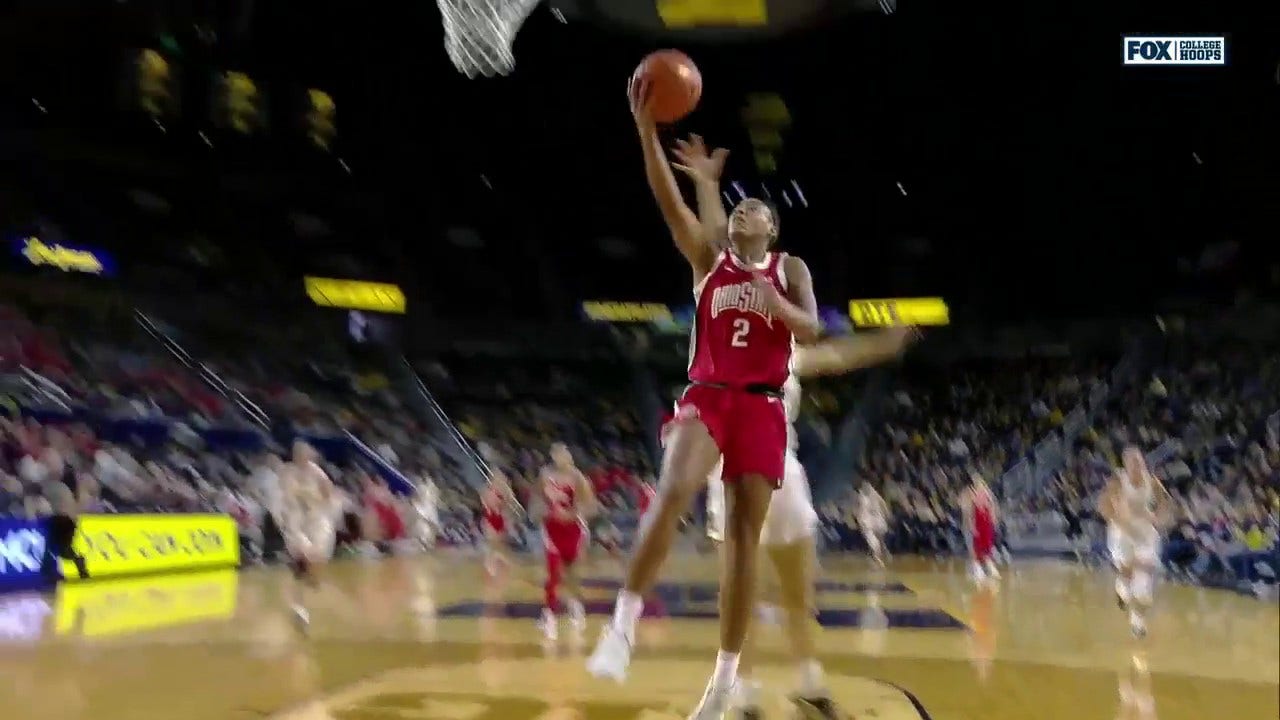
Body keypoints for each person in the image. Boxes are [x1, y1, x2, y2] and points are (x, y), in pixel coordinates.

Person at [588, 76, 823, 720]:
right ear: (733, 226)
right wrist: (648, 134)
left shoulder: (789, 269)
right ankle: (621, 627)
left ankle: (721, 683)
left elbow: (814, 325)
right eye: (741, 210)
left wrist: (778, 305)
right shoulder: (706, 260)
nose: (750, 215)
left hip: (766, 407)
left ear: (771, 231)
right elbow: (668, 201)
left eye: (761, 213)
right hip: (709, 395)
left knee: (743, 543)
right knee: (673, 489)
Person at [703, 330, 916, 720]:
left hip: (784, 471)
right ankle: (743, 693)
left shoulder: (785, 356)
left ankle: (808, 683)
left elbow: (836, 355)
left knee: (799, 595)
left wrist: (888, 342)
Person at [1099, 447, 1173, 638]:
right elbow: (1103, 506)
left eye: (1139, 462)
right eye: (1132, 463)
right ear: (1125, 465)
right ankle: (1122, 587)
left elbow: (1164, 504)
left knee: (1145, 581)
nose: (1137, 466)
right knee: (1127, 570)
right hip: (1122, 532)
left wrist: (1159, 518)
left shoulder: (1153, 482)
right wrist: (1117, 520)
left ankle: (1137, 621)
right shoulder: (1118, 481)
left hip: (1145, 532)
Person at [277, 441, 338, 628]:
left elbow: (328, 495)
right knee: (301, 562)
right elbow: (286, 495)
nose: (303, 458)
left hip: (315, 520)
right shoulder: (287, 472)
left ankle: (311, 581)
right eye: (299, 454)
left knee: (315, 559)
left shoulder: (318, 473)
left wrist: (316, 496)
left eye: (306, 454)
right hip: (296, 523)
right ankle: (299, 609)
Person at [539, 442, 596, 642]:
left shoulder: (578, 477)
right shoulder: (545, 473)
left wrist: (574, 513)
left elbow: (590, 506)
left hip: (573, 529)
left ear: (568, 456)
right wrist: (540, 512)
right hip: (552, 528)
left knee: (572, 574)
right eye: (555, 454)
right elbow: (537, 499)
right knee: (553, 574)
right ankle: (550, 616)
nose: (559, 457)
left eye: (563, 453)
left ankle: (575, 606)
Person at [962, 473, 1001, 583]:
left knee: (987, 548)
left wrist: (994, 520)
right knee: (976, 548)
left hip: (986, 524)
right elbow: (969, 513)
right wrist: (971, 526)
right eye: (976, 483)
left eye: (980, 483)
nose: (979, 485)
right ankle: (978, 569)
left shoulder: (988, 494)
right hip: (977, 524)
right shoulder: (970, 495)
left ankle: (990, 569)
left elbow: (992, 507)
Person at [480, 469, 518, 576]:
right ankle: (493, 565)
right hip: (490, 516)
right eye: (497, 475)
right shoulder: (487, 489)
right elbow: (484, 502)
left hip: (501, 516)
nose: (499, 477)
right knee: (492, 542)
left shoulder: (506, 490)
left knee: (501, 542)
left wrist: (506, 492)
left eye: (501, 475)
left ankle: (501, 563)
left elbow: (510, 503)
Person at [857, 480, 891, 567]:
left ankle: (880, 552)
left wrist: (886, 512)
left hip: (876, 518)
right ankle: (876, 558)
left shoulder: (873, 493)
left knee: (880, 538)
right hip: (868, 520)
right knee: (874, 542)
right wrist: (861, 521)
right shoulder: (862, 497)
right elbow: (861, 510)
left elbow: (882, 502)